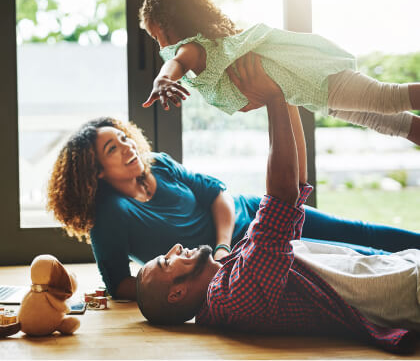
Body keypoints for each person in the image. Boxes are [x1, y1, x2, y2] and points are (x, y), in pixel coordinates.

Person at [47, 56, 420, 302]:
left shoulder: (157, 163)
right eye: (113, 149)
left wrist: (222, 247)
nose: (128, 146)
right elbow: (120, 285)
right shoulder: (110, 214)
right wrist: (193, 287)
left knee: (357, 232)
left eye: (124, 137)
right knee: (355, 259)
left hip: (255, 215)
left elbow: (217, 194)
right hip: (248, 259)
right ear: (95, 171)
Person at [136, 58, 419, 354]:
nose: (176, 248)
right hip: (407, 292)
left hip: (404, 270)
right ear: (177, 293)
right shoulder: (231, 295)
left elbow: (295, 189)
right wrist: (273, 98)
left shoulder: (232, 270)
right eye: (167, 262)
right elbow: (281, 198)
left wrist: (286, 94)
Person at [139, 0, 420, 146]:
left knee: (388, 99)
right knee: (391, 123)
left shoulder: (194, 49)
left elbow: (175, 63)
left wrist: (162, 81)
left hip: (316, 79)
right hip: (313, 93)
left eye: (156, 36)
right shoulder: (216, 48)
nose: (160, 46)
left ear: (169, 24)